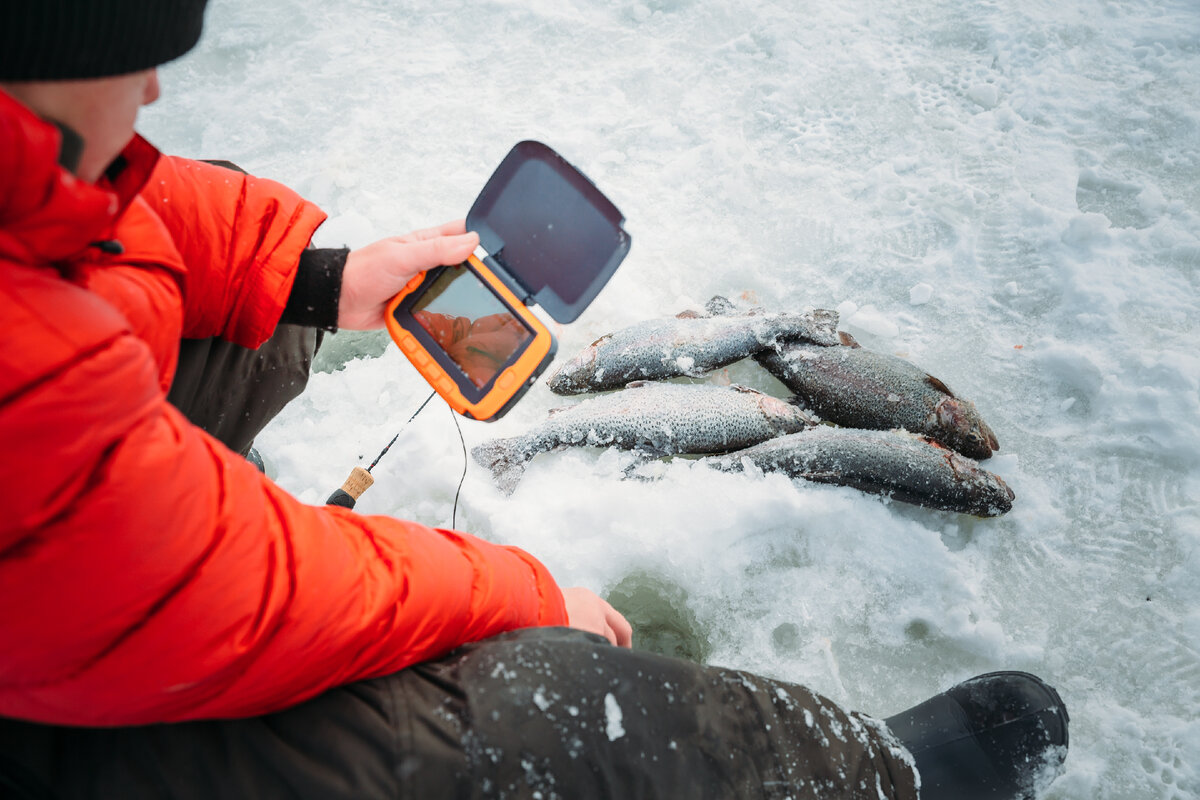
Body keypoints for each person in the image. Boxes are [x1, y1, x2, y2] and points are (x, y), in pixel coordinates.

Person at [0, 2, 1069, 798]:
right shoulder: (26, 374)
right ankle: (872, 778)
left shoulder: (40, 184)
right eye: (129, 55)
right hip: (55, 715)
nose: (151, 93)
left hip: (78, 576)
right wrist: (524, 588)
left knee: (219, 286)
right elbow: (244, 591)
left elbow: (124, 213)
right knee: (545, 710)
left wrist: (313, 277)